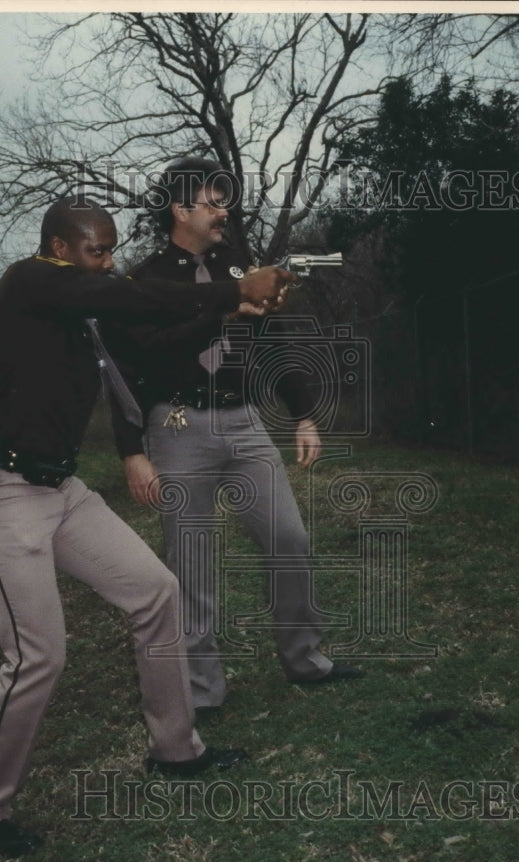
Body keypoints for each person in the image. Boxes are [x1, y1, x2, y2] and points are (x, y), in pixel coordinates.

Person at [0, 197, 293, 857]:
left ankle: (176, 749)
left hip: (60, 489)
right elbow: (132, 296)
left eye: (111, 249)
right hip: (2, 491)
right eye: (95, 250)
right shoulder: (30, 281)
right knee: (38, 655)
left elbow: (152, 339)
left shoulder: (84, 308)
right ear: (58, 247)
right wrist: (235, 285)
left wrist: (225, 312)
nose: (107, 261)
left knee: (155, 591)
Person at [102, 158, 362, 715]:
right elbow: (133, 366)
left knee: (289, 539)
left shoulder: (240, 267)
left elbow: (275, 341)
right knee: (191, 561)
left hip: (245, 423)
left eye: (225, 202)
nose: (224, 212)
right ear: (181, 209)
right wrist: (132, 452)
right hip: (177, 429)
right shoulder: (145, 282)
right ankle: (203, 691)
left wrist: (304, 415)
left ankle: (305, 660)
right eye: (214, 202)